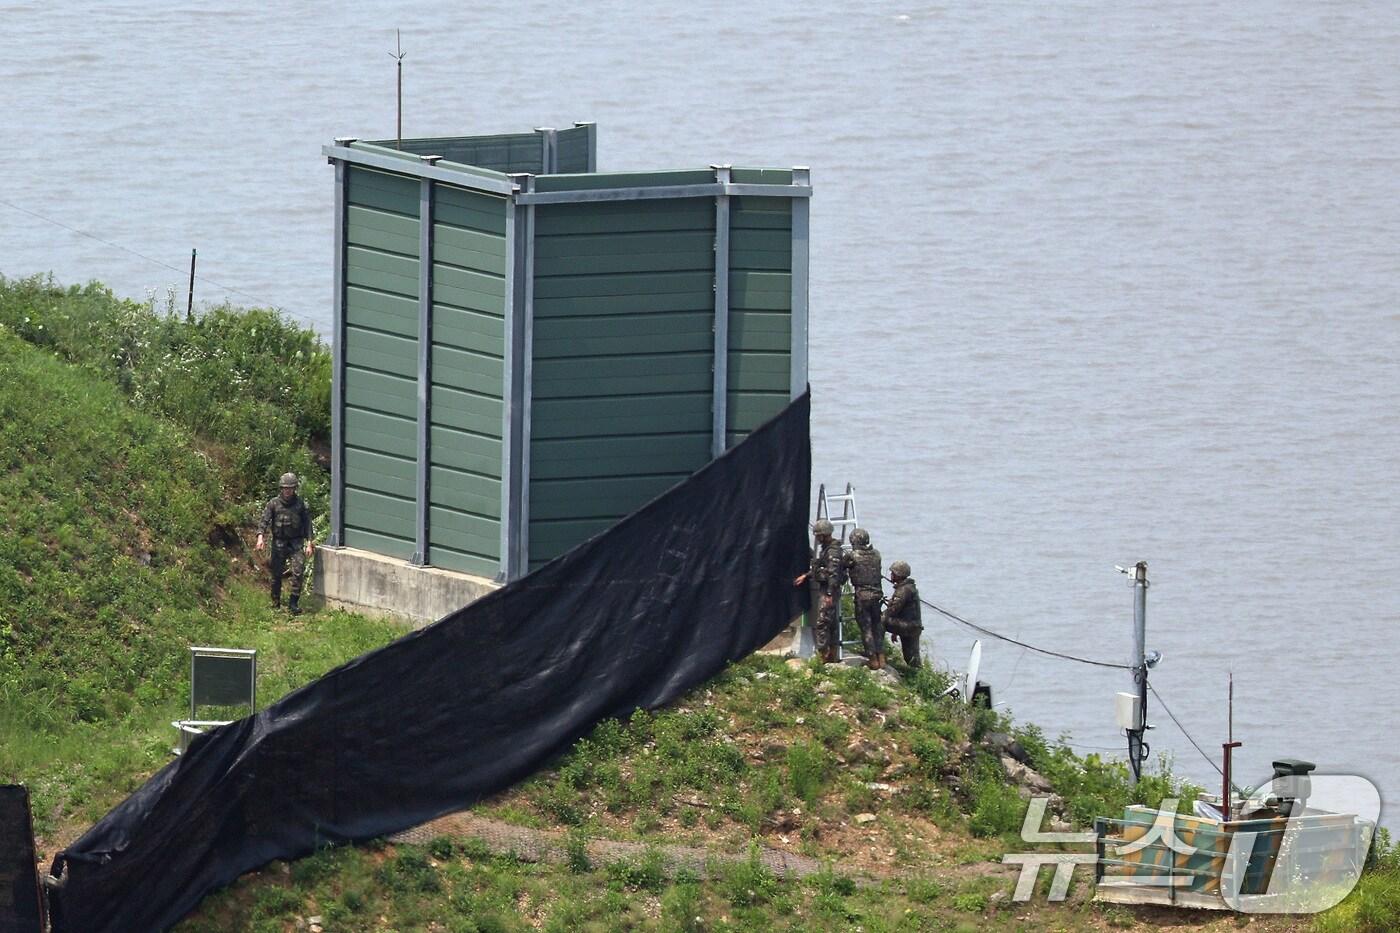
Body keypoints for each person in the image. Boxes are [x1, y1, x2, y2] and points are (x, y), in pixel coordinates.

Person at [256, 472, 313, 615]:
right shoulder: (273, 503)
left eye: (290, 488)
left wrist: (309, 543)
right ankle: (275, 602)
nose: (287, 491)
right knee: (276, 574)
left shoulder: (301, 505)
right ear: (281, 488)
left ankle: (293, 603)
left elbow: (308, 525)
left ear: (295, 489)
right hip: (279, 543)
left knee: (298, 572)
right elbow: (264, 520)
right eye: (285, 488)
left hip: (296, 542)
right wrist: (260, 537)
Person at [793, 518, 845, 663]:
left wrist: (829, 594)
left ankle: (823, 655)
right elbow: (820, 566)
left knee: (823, 622)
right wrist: (806, 575)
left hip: (829, 591)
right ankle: (831, 655)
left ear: (824, 535)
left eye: (818, 535)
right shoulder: (827, 550)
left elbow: (833, 575)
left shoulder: (833, 552)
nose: (817, 538)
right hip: (828, 589)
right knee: (831, 622)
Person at [843, 528, 885, 669]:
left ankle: (872, 659)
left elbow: (842, 566)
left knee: (866, 628)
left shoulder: (852, 556)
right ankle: (881, 657)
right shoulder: (877, 554)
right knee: (877, 626)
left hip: (862, 596)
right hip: (877, 595)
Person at [881, 560, 923, 668]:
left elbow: (892, 611)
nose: (891, 575)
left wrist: (882, 614)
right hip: (913, 626)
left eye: (893, 573)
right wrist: (895, 631)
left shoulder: (903, 590)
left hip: (907, 626)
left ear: (898, 575)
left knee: (879, 620)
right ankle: (918, 676)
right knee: (911, 658)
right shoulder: (909, 587)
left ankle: (878, 653)